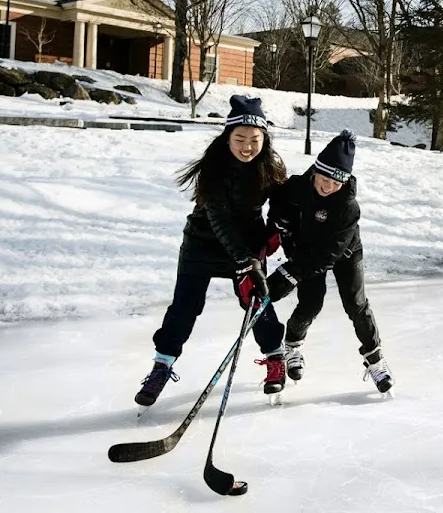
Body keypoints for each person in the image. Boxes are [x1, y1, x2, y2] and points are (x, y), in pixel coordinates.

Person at [134, 95, 288, 407]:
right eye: (240, 139)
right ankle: (161, 366)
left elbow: (285, 202)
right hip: (202, 246)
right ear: (227, 137)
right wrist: (246, 260)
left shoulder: (270, 167)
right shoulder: (213, 169)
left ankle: (275, 357)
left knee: (258, 302)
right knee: (184, 307)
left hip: (246, 243)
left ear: (264, 139)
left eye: (254, 140)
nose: (247, 146)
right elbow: (220, 221)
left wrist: (275, 231)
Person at [264, 129, 394, 394]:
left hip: (343, 253)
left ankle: (375, 359)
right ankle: (293, 344)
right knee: (311, 302)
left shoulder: (348, 207)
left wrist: (290, 273)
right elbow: (277, 206)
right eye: (324, 179)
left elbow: (329, 254)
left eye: (336, 183)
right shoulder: (296, 188)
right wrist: (279, 224)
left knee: (356, 304)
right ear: (315, 171)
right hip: (305, 249)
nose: (328, 187)